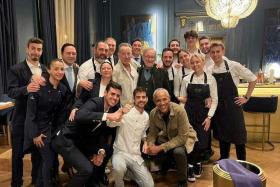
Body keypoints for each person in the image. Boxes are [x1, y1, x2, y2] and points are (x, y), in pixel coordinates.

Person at [52, 82, 123, 187]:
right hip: (65, 139)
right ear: (105, 93)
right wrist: (107, 116)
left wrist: (100, 152)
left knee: (107, 150)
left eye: (117, 95)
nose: (115, 97)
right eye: (112, 94)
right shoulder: (95, 102)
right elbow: (79, 115)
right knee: (86, 169)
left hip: (82, 141)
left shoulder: (112, 109)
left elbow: (101, 134)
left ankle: (92, 182)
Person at [8, 37, 46, 187]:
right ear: (27, 49)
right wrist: (26, 89)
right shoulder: (15, 69)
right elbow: (11, 92)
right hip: (20, 120)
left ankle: (36, 181)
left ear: (42, 51)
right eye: (33, 48)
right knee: (17, 155)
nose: (36, 52)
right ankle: (16, 183)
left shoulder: (45, 68)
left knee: (38, 154)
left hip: (38, 120)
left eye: (39, 49)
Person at [209, 42, 257, 161]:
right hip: (219, 108)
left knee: (238, 136)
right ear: (210, 54)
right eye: (213, 52)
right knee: (222, 136)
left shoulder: (233, 65)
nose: (215, 54)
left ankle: (242, 162)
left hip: (233, 106)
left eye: (218, 51)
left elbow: (253, 79)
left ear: (223, 51)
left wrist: (246, 97)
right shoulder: (210, 69)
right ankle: (224, 161)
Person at [24, 59, 68, 187]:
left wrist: (60, 131)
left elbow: (61, 113)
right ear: (48, 70)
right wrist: (35, 134)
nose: (59, 72)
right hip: (40, 132)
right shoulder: (38, 87)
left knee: (48, 162)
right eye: (56, 69)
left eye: (62, 69)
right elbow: (30, 114)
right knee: (47, 162)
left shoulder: (63, 89)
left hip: (54, 131)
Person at [146, 88, 197, 187]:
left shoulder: (180, 110)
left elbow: (182, 138)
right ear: (154, 102)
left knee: (178, 151)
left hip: (185, 137)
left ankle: (183, 180)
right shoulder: (153, 113)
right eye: (158, 100)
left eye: (164, 99)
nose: (162, 103)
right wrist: (150, 145)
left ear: (169, 99)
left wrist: (160, 148)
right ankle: (165, 166)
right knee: (155, 143)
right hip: (168, 136)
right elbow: (152, 133)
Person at [180, 54, 218, 182]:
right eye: (193, 63)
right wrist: (182, 117)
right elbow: (182, 100)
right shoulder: (186, 79)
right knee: (190, 140)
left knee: (201, 141)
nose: (195, 65)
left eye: (198, 62)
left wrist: (209, 117)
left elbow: (215, 100)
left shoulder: (211, 79)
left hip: (203, 115)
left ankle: (197, 163)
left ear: (203, 62)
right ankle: (191, 166)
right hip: (188, 114)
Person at [108, 87, 154, 187]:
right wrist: (121, 113)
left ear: (147, 99)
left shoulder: (146, 116)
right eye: (138, 97)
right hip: (121, 152)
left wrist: (145, 142)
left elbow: (143, 133)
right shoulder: (126, 112)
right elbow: (110, 123)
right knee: (119, 168)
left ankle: (129, 172)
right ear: (134, 99)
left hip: (136, 155)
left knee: (149, 185)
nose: (141, 99)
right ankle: (119, 184)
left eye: (143, 97)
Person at [137, 48, 170, 113]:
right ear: (143, 58)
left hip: (157, 109)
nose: (150, 59)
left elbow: (167, 91)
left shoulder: (162, 72)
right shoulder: (138, 71)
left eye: (152, 57)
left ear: (155, 59)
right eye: (147, 57)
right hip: (141, 109)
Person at [60, 43, 79, 115]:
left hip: (73, 111)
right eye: (68, 53)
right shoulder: (55, 67)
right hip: (58, 112)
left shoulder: (77, 68)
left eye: (74, 53)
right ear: (62, 54)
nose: (71, 56)